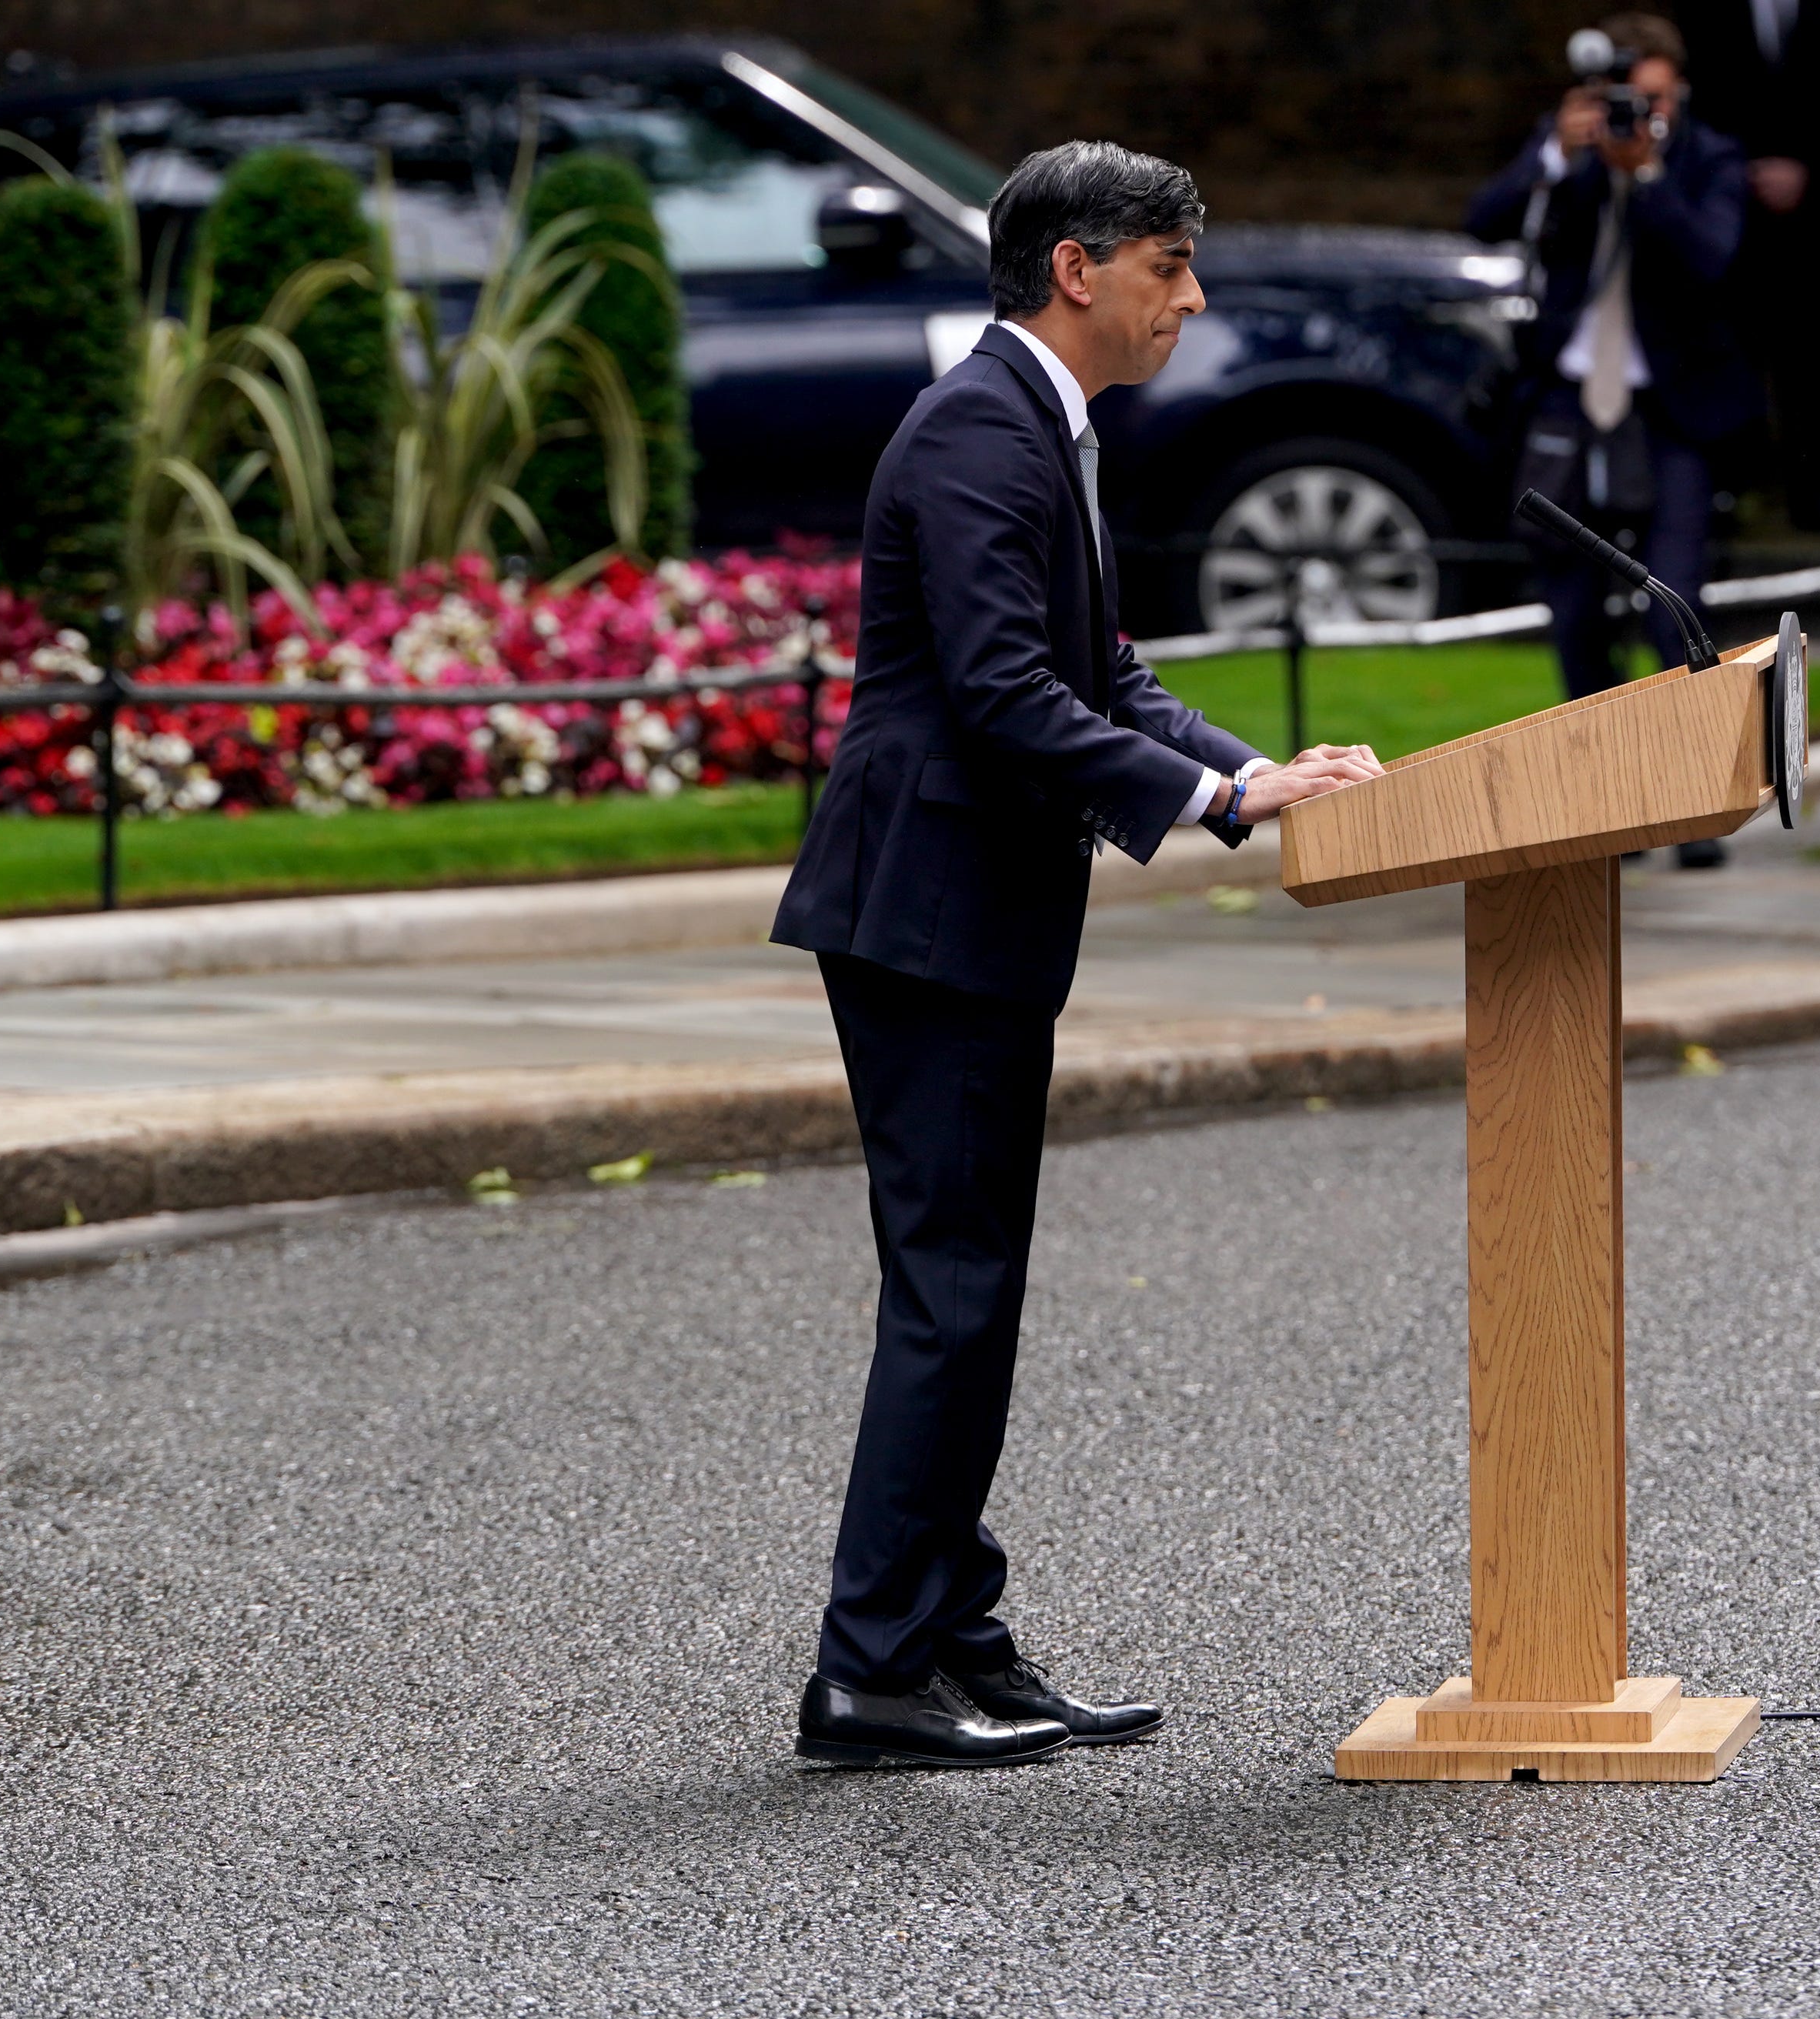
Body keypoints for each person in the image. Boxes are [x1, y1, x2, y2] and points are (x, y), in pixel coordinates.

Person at [773, 142, 1384, 1769]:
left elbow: (1099, 670)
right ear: (1077, 268)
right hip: (927, 908)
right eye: (1169, 264)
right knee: (949, 1296)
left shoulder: (1038, 420)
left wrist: (1249, 782)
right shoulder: (985, 428)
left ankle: (948, 1637)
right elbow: (998, 692)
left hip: (971, 908)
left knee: (968, 1294)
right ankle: (872, 1673)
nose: (1191, 295)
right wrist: (1205, 797)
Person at [1467, 15, 1759, 871]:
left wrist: (1651, 175)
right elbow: (1484, 220)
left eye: (1656, 100)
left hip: (1670, 413)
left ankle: (1692, 801)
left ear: (1683, 95)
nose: (1641, 115)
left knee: (1676, 604)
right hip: (1569, 403)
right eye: (1626, 101)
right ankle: (1605, 807)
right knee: (1576, 610)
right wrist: (1558, 156)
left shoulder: (1710, 159)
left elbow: (1713, 258)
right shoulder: (1572, 155)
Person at [1677, 0, 1820, 530]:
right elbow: (1698, 96)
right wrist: (1738, 171)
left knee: (1807, 363)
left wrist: (1808, 168)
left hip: (1813, 218)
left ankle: (1816, 494)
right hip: (1731, 215)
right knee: (1730, 358)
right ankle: (1729, 495)